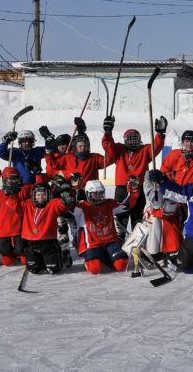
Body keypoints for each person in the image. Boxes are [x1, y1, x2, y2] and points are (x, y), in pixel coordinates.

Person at [101, 115, 167, 243]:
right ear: (125, 140)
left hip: (140, 189)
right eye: (130, 139)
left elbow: (156, 147)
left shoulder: (144, 150)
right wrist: (108, 132)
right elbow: (108, 146)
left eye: (135, 139)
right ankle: (118, 242)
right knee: (120, 216)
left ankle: (138, 245)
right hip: (122, 189)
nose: (133, 142)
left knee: (138, 218)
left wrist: (160, 134)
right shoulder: (119, 149)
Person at [72, 180, 129, 274]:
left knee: (121, 265)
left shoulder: (109, 204)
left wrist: (134, 191)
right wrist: (70, 193)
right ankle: (92, 260)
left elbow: (126, 206)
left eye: (100, 194)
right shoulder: (82, 206)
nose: (98, 197)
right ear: (88, 194)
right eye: (95, 194)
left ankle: (106, 258)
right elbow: (68, 207)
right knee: (95, 269)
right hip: (92, 244)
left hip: (110, 242)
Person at [21, 181, 72, 274]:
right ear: (33, 195)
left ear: (49, 195)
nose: (40, 197)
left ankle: (63, 254)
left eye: (43, 194)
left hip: (48, 242)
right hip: (32, 242)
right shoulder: (28, 204)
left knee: (54, 269)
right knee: (33, 269)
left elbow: (61, 205)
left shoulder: (52, 204)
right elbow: (15, 206)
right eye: (38, 194)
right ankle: (41, 261)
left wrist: (65, 200)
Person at [43, 117, 107, 191]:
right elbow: (53, 164)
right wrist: (48, 150)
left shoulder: (94, 157)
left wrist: (81, 132)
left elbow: (108, 160)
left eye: (84, 145)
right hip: (72, 192)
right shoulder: (68, 157)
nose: (81, 147)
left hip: (91, 193)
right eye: (60, 144)